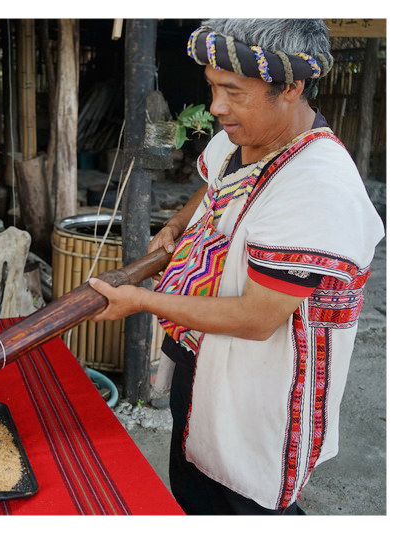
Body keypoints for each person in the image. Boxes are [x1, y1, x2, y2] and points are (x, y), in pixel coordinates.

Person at [88, 19, 384, 514]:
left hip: (265, 380)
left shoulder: (317, 185)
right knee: (195, 481)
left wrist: (139, 300)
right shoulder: (242, 133)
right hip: (198, 349)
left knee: (247, 496)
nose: (216, 107)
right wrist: (180, 223)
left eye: (232, 91)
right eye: (212, 88)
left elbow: (256, 318)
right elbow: (214, 180)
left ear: (289, 88)